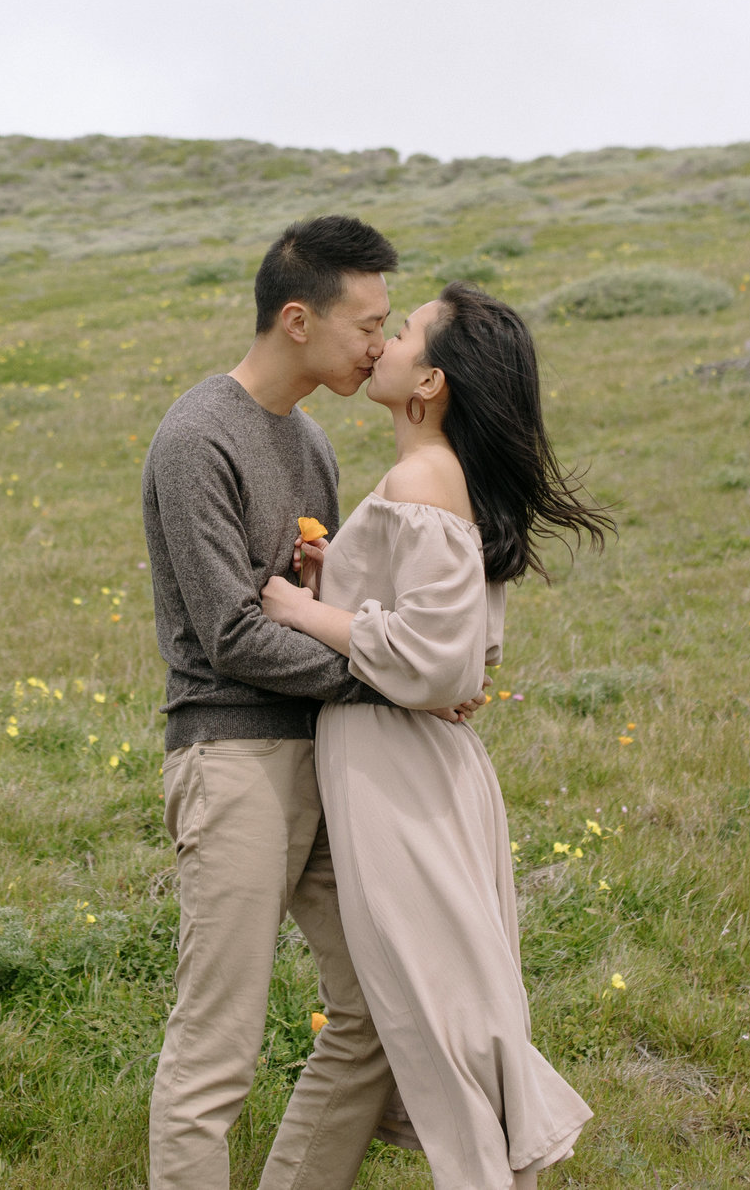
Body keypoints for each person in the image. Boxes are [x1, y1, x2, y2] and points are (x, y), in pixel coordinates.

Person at [142, 214, 475, 1190]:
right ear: (297, 318)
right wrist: (394, 677)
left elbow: (314, 609)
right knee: (216, 1045)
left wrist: (380, 641)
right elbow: (230, 634)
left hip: (329, 758)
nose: (380, 344)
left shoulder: (315, 445)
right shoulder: (196, 436)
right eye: (366, 323)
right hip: (233, 758)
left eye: (386, 326)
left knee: (375, 1010)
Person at [260, 281, 613, 1190]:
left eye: (406, 331)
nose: (384, 340)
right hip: (405, 765)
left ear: (431, 384)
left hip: (398, 775)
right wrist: (336, 572)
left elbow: (441, 662)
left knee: (442, 1007)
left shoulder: (423, 478)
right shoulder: (435, 478)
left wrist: (302, 609)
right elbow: (452, 638)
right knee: (448, 996)